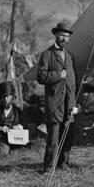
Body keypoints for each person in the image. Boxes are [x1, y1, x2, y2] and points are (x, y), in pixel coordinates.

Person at [36, 22, 79, 173]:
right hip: (54, 104)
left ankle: (63, 163)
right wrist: (58, 76)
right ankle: (49, 166)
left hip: (68, 104)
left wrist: (74, 103)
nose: (64, 38)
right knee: (53, 138)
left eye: (67, 36)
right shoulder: (46, 55)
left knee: (68, 136)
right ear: (55, 35)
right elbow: (41, 77)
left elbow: (73, 81)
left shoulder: (70, 56)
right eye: (61, 35)